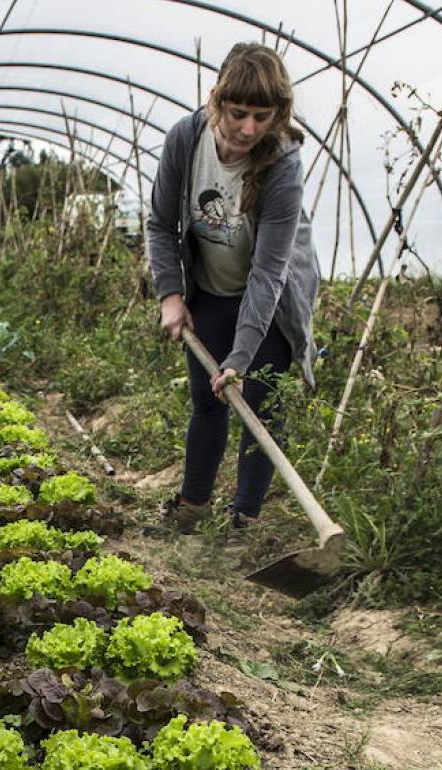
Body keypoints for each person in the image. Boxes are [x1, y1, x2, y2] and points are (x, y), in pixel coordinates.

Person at [146, 43, 319, 533]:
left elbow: (269, 271)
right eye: (238, 113)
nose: (248, 129)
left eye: (262, 116)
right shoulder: (186, 139)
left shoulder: (282, 163)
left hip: (267, 296)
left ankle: (245, 519)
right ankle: (193, 506)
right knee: (207, 398)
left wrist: (241, 356)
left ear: (278, 114)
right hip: (208, 288)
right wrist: (171, 295)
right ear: (215, 101)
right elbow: (161, 224)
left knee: (259, 406)